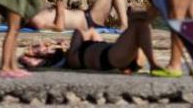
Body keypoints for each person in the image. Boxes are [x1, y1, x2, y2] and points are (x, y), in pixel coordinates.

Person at [22, 10, 160, 74]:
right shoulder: (72, 56)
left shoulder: (81, 51)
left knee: (141, 25)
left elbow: (92, 31)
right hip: (112, 57)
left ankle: (160, 12)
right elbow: (80, 31)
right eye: (47, 49)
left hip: (118, 56)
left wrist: (59, 44)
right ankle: (153, 63)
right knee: (139, 24)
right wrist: (63, 45)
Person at [26, 0, 128, 34]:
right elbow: (59, 27)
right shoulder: (36, 19)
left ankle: (125, 24)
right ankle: (124, 26)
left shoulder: (37, 12)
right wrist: (60, 9)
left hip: (87, 16)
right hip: (88, 20)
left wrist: (59, 7)